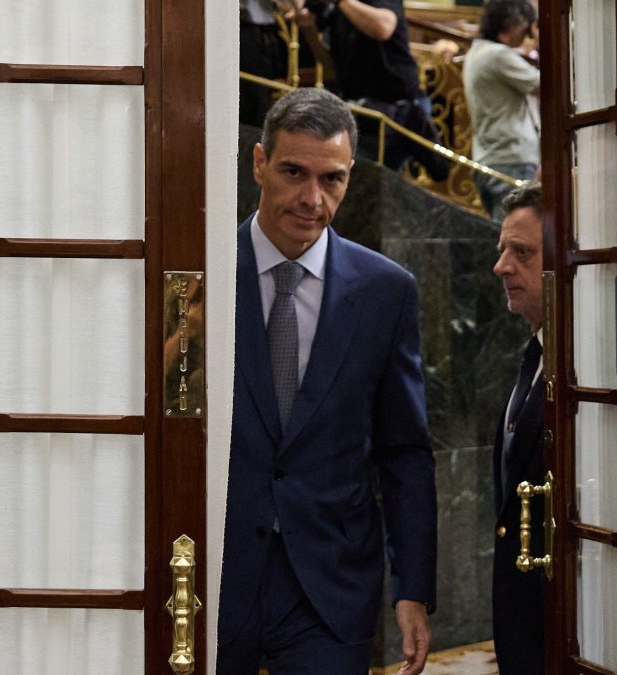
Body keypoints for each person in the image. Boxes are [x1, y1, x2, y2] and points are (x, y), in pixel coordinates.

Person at [217, 87, 437, 675]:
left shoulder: (386, 291)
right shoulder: (199, 274)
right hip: (212, 575)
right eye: (293, 172)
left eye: (331, 179)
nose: (311, 199)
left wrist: (413, 588)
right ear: (259, 163)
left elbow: (405, 452)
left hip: (331, 589)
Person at [295, 0, 450, 180]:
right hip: (363, 109)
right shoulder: (336, 10)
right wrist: (310, 30)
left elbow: (383, 28)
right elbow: (332, 71)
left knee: (366, 180)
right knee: (363, 180)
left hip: (397, 106)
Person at [490, 182, 546, 674]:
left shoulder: (593, 363)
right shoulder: (536, 352)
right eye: (502, 249)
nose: (502, 266)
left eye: (521, 253)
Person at [464, 0, 541, 221]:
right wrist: (540, 42)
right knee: (515, 231)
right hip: (511, 158)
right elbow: (547, 85)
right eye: (525, 26)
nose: (525, 35)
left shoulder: (477, 51)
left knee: (503, 230)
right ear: (511, 24)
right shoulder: (498, 55)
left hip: (489, 157)